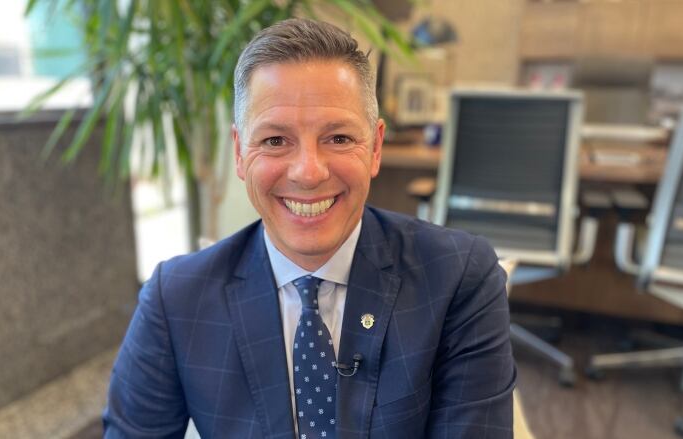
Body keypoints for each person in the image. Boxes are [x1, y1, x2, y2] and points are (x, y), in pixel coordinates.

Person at [103, 18, 515, 439]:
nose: (308, 173)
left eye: (337, 138)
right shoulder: (175, 298)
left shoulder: (458, 277)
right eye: (275, 141)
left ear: (375, 147)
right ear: (241, 154)